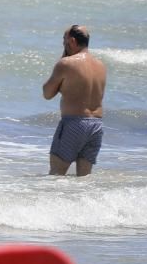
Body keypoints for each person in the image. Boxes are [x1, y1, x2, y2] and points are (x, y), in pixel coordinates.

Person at [42, 24, 107, 177]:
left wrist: (63, 59)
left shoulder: (66, 63)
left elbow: (47, 93)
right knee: (84, 179)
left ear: (71, 41)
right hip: (96, 126)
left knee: (56, 175)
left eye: (64, 40)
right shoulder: (101, 66)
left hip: (74, 124)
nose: (62, 44)